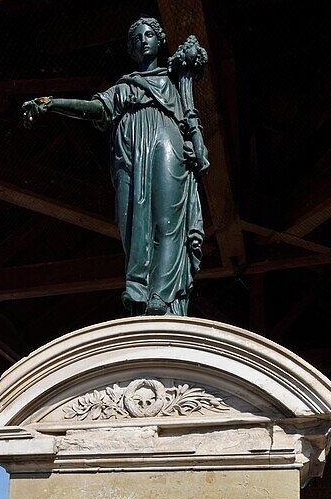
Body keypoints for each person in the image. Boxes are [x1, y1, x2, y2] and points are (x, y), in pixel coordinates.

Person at [23, 17, 209, 316]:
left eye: (149, 35)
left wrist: (198, 148)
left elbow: (190, 119)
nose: (143, 40)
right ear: (131, 49)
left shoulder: (173, 82)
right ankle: (138, 290)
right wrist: (52, 103)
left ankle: (163, 295)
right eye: (136, 38)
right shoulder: (124, 87)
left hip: (166, 143)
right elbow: (95, 109)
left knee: (167, 221)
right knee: (133, 225)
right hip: (131, 156)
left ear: (160, 41)